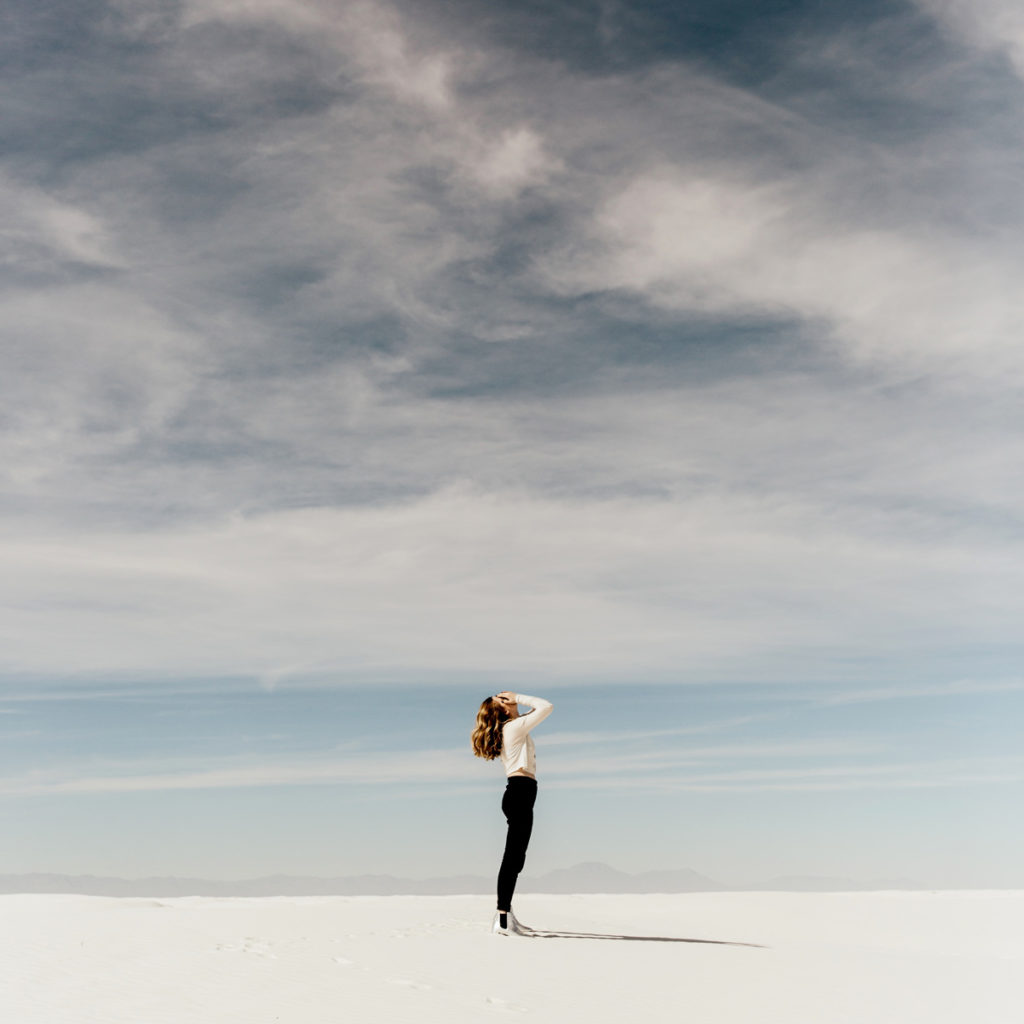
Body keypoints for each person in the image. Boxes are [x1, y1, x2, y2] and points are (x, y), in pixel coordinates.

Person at [471, 690, 553, 936]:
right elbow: (546, 706)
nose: (508, 698)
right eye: (503, 699)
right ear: (504, 708)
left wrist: (516, 703)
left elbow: (536, 711)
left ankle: (507, 915)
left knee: (516, 859)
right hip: (520, 793)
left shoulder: (514, 726)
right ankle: (503, 920)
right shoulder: (513, 728)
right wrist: (519, 696)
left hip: (521, 793)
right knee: (512, 858)